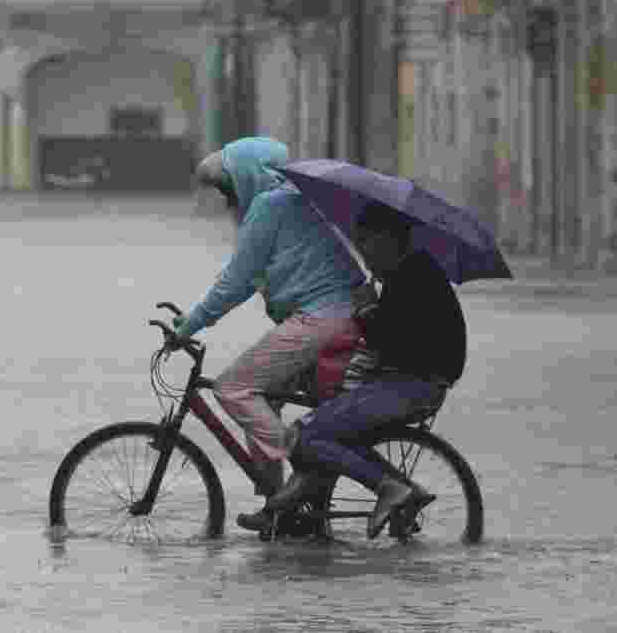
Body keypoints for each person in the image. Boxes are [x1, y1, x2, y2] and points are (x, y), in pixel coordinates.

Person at [172, 137, 372, 530]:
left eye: (228, 188)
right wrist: (193, 318)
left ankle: (305, 467)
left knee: (233, 388)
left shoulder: (270, 205)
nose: (228, 200)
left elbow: (236, 282)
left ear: (248, 178)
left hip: (323, 318)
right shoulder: (289, 200)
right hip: (338, 313)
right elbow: (245, 276)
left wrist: (190, 325)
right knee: (263, 399)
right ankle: (280, 510)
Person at [241, 200, 468, 538]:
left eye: (366, 242)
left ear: (389, 240)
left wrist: (365, 310)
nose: (362, 252)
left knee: (304, 435)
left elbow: (386, 340)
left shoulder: (413, 277)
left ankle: (388, 488)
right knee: (327, 428)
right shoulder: (406, 273)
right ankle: (295, 506)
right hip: (402, 382)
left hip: (411, 387)